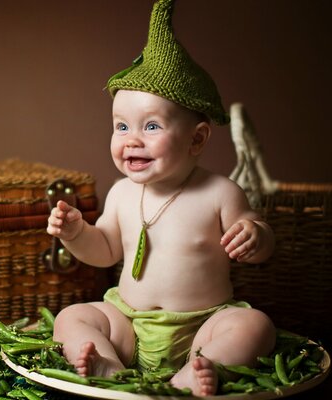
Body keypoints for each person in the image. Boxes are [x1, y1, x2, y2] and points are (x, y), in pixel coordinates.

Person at [46, 0, 276, 396]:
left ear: (197, 138)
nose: (132, 139)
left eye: (151, 126)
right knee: (71, 317)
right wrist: (75, 233)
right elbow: (105, 251)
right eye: (121, 126)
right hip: (129, 324)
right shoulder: (121, 193)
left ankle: (200, 370)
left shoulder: (220, 192)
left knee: (255, 327)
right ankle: (110, 366)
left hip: (202, 325)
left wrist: (255, 235)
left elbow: (261, 239)